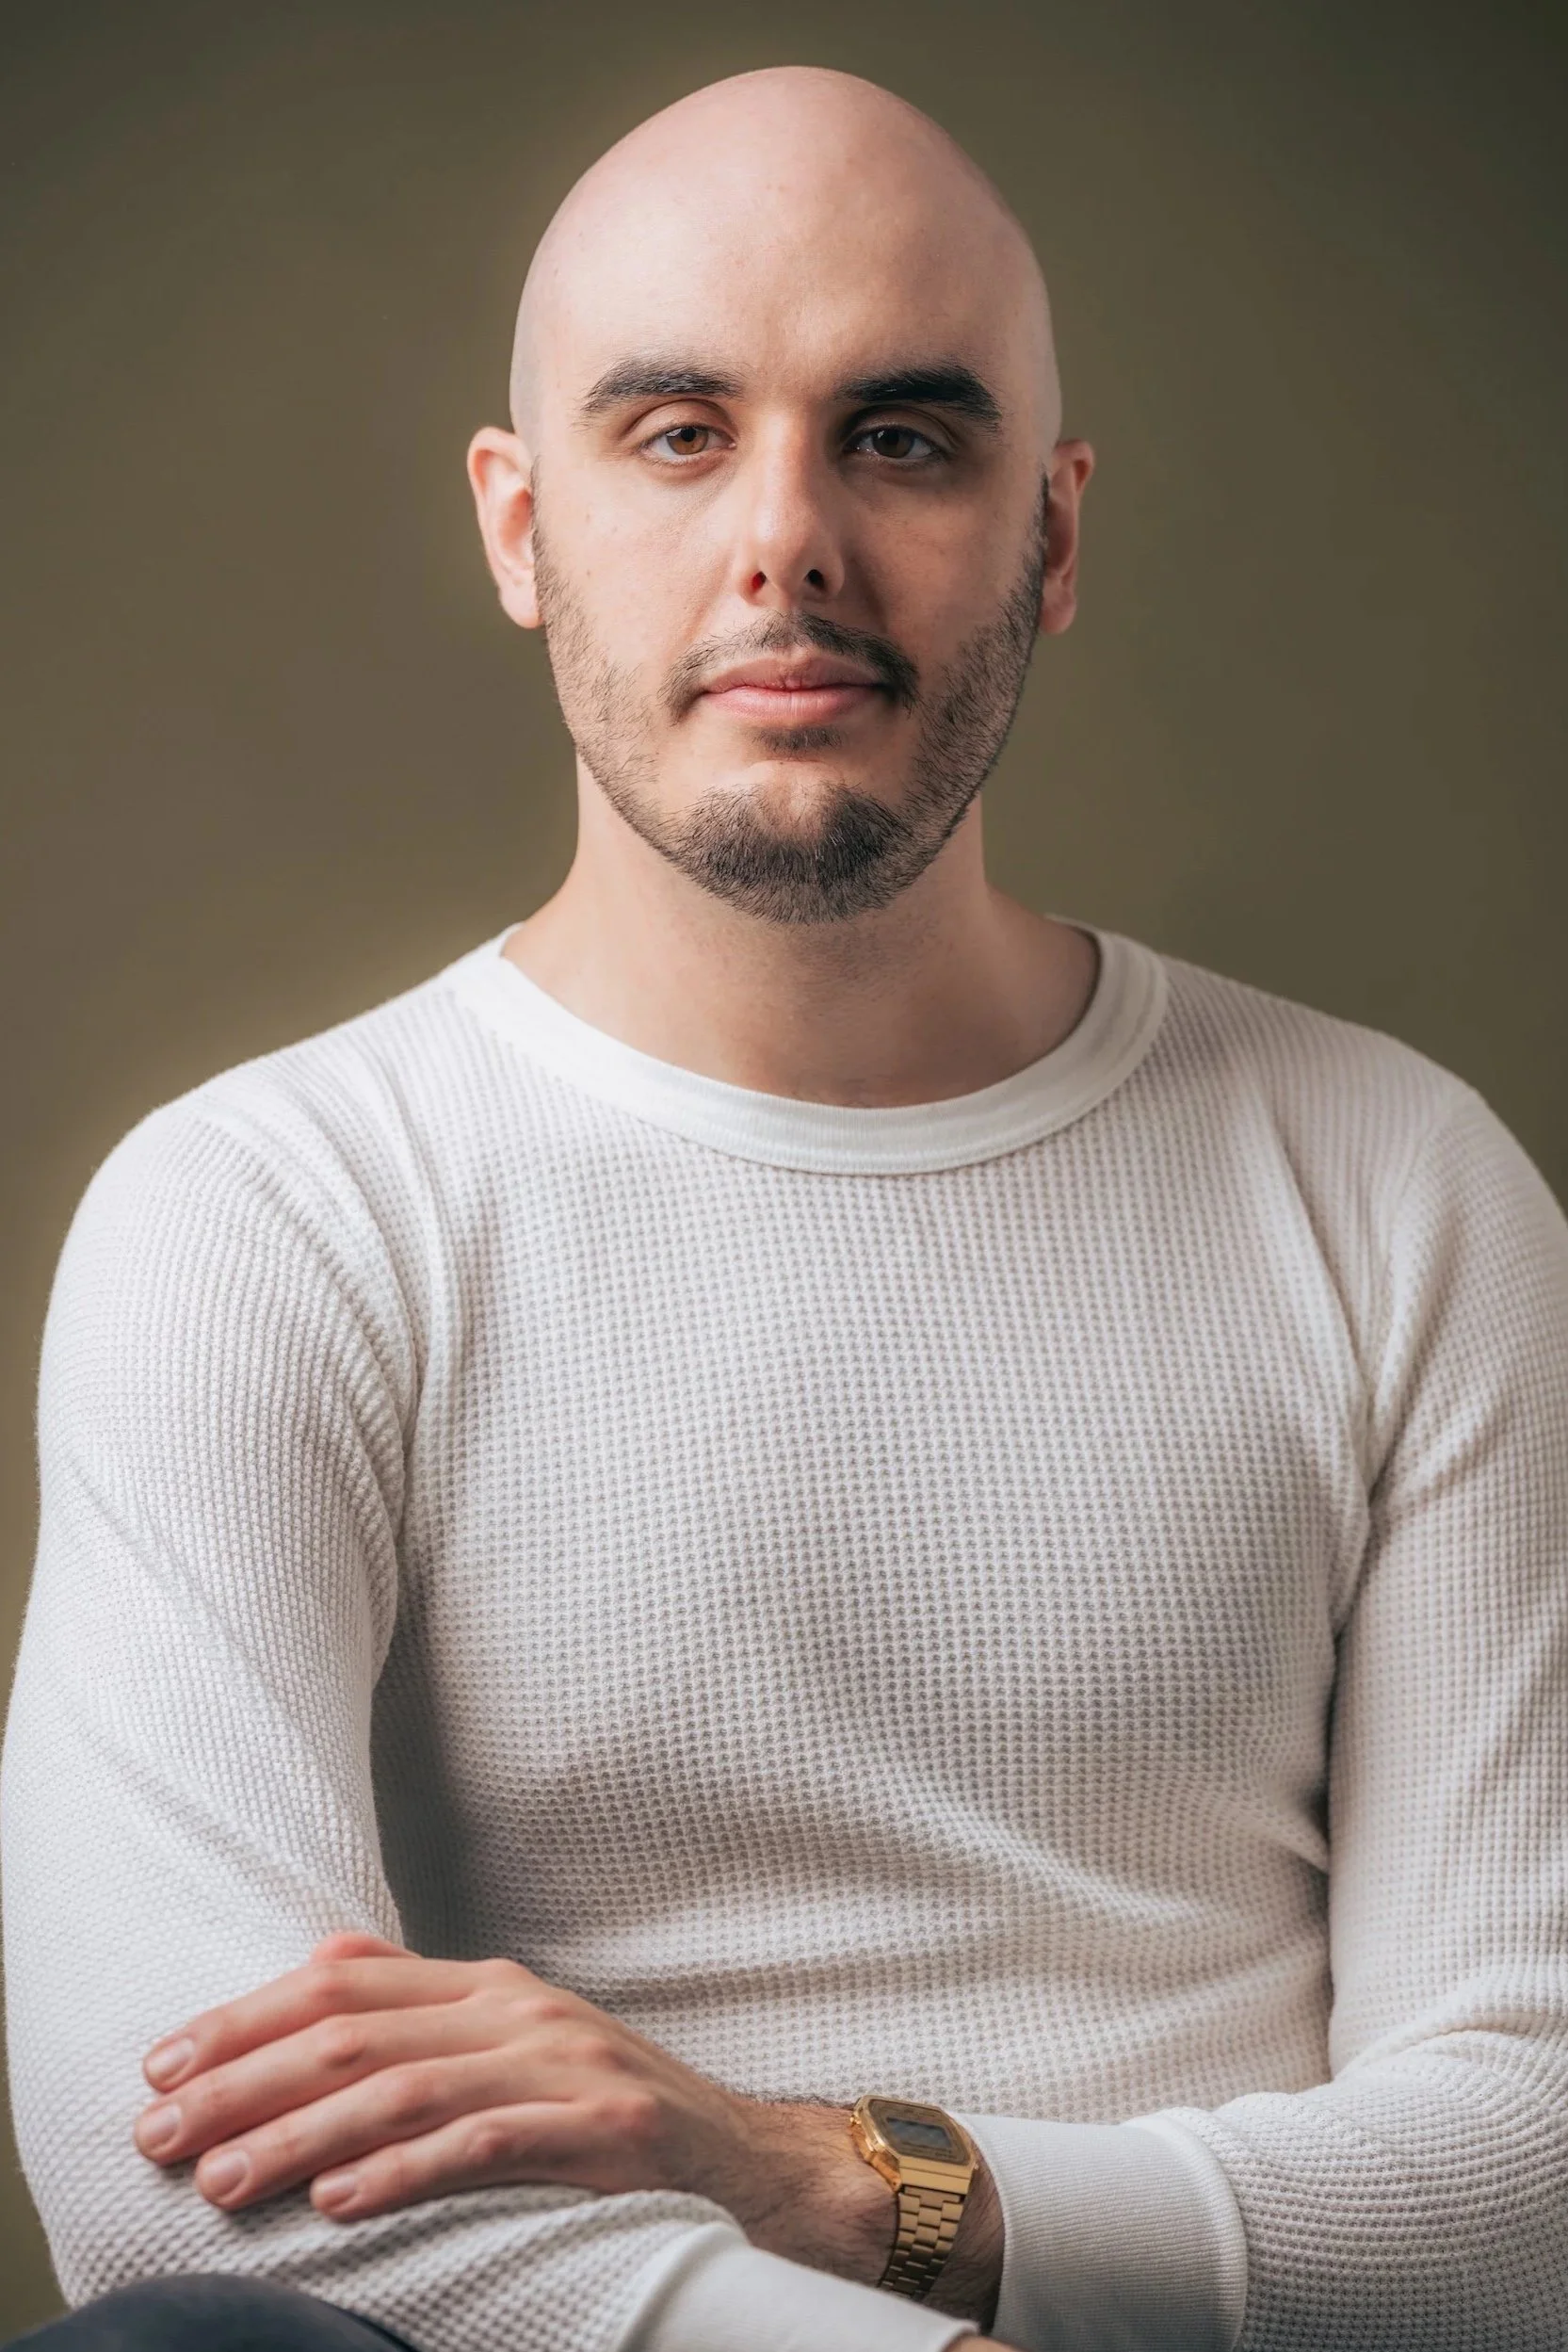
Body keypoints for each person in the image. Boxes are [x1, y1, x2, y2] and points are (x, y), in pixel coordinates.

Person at [4, 58, 1566, 2352]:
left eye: (903, 438)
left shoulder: (1395, 1187)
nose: (787, 546)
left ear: (1050, 532)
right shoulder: (270, 1219)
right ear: (517, 525)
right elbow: (189, 2179)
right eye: (674, 431)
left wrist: (824, 2176)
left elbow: (1534, 2170)